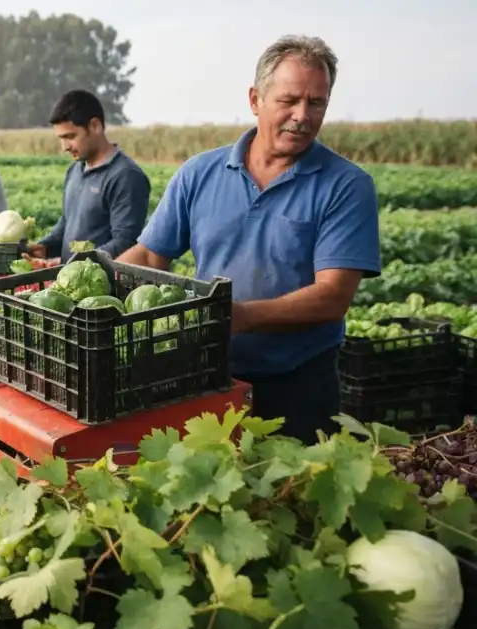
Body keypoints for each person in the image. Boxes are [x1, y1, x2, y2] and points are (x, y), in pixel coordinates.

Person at [115, 35, 380, 444]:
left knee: (292, 497)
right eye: (288, 100)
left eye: (316, 103)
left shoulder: (346, 186)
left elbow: (332, 297)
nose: (302, 116)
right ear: (256, 99)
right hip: (207, 376)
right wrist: (98, 278)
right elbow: (150, 255)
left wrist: (237, 316)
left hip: (298, 383)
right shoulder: (200, 172)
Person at [24, 89, 151, 264]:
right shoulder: (75, 170)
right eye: (60, 138)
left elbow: (125, 243)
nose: (64, 147)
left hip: (103, 287)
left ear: (95, 126)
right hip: (73, 282)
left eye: (70, 137)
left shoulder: (126, 176)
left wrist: (74, 265)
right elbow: (67, 222)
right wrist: (45, 247)